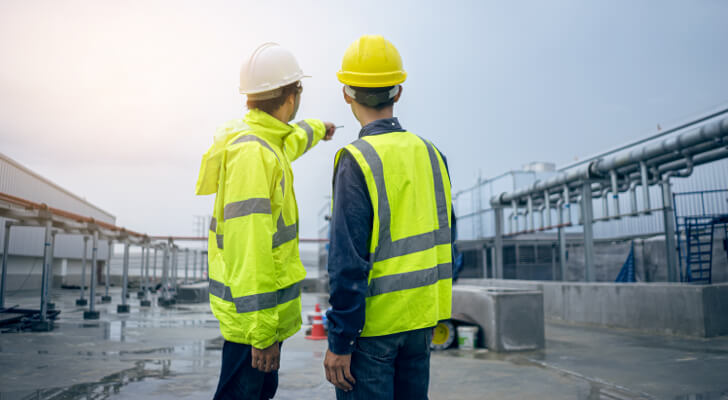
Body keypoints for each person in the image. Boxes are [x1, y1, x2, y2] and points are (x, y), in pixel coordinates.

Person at [195, 42, 336, 400]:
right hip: (253, 325)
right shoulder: (254, 155)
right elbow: (250, 250)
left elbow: (291, 141)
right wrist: (262, 335)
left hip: (257, 320)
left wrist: (320, 128)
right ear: (291, 95)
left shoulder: (263, 141)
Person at [324, 34, 454, 399]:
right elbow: (447, 239)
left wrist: (340, 339)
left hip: (372, 333)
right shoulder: (432, 155)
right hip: (421, 323)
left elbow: (347, 261)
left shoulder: (356, 159)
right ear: (398, 92)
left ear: (346, 93)